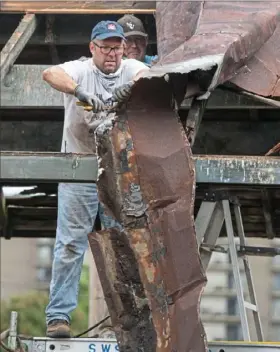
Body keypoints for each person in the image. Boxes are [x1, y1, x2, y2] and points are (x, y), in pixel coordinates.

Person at [42, 20, 149, 338]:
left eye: (117, 47)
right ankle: (59, 316)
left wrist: (134, 86)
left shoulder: (130, 68)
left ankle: (132, 321)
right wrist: (78, 90)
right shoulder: (80, 70)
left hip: (118, 170)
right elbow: (50, 74)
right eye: (105, 47)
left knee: (123, 245)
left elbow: (147, 74)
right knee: (70, 244)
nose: (112, 53)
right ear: (93, 48)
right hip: (80, 168)